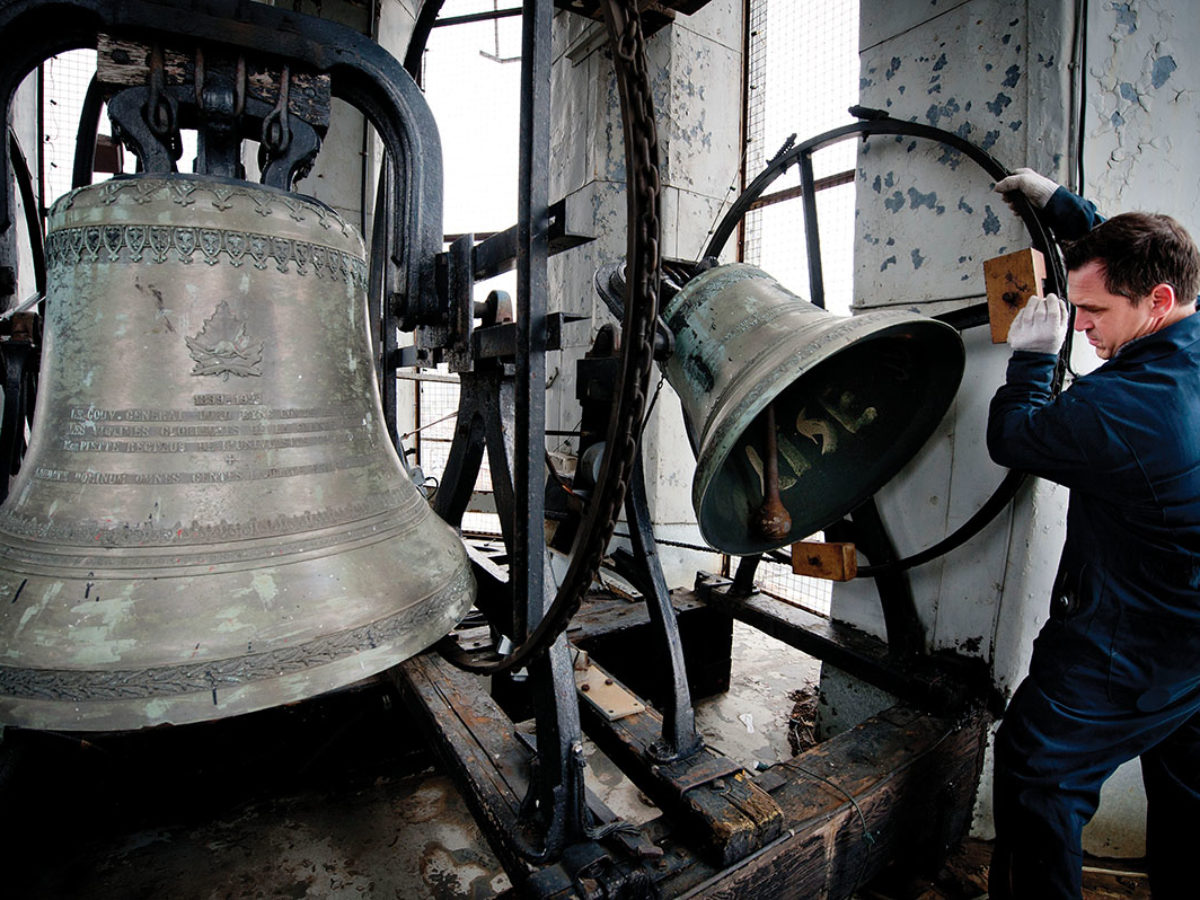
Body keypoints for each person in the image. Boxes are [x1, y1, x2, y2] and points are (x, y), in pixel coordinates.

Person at [986, 169, 1200, 899]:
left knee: (1035, 765)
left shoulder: (1126, 408)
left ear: (1156, 304)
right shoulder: (1185, 325)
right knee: (1189, 791)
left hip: (1131, 643)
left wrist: (1032, 360)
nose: (1081, 326)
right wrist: (1066, 212)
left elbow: (1015, 437)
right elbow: (1143, 261)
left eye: (1091, 312)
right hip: (1191, 639)